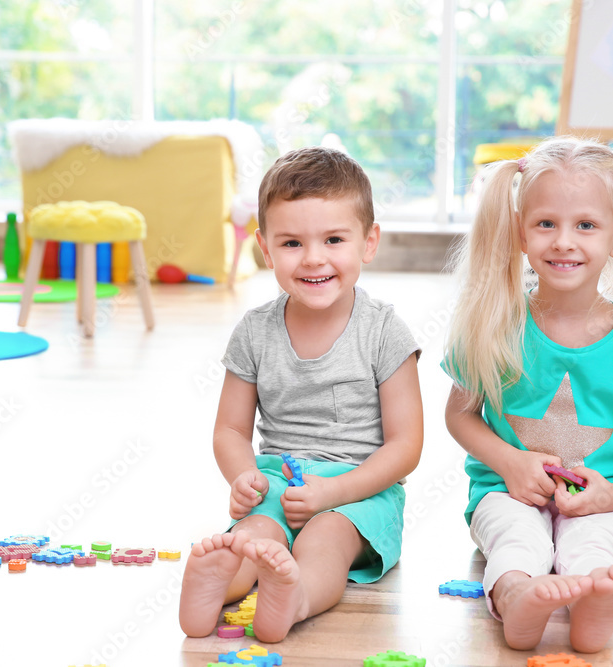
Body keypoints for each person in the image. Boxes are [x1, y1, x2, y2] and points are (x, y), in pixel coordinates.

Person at [443, 136, 613, 653]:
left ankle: (592, 605)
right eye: (546, 224)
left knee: (596, 542)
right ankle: (516, 598)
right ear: (520, 231)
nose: (564, 241)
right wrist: (511, 463)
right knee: (515, 539)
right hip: (505, 490)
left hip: (602, 497)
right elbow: (460, 416)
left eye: (585, 225)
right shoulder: (494, 325)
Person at [179, 146, 423, 643]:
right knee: (255, 537)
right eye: (292, 243)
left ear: (368, 242)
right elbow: (229, 428)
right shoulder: (254, 333)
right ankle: (218, 584)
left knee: (325, 540)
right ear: (266, 249)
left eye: (334, 239)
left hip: (358, 492)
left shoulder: (384, 332)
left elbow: (406, 446)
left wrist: (334, 492)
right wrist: (244, 475)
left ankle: (297, 597)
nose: (314, 258)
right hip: (279, 486)